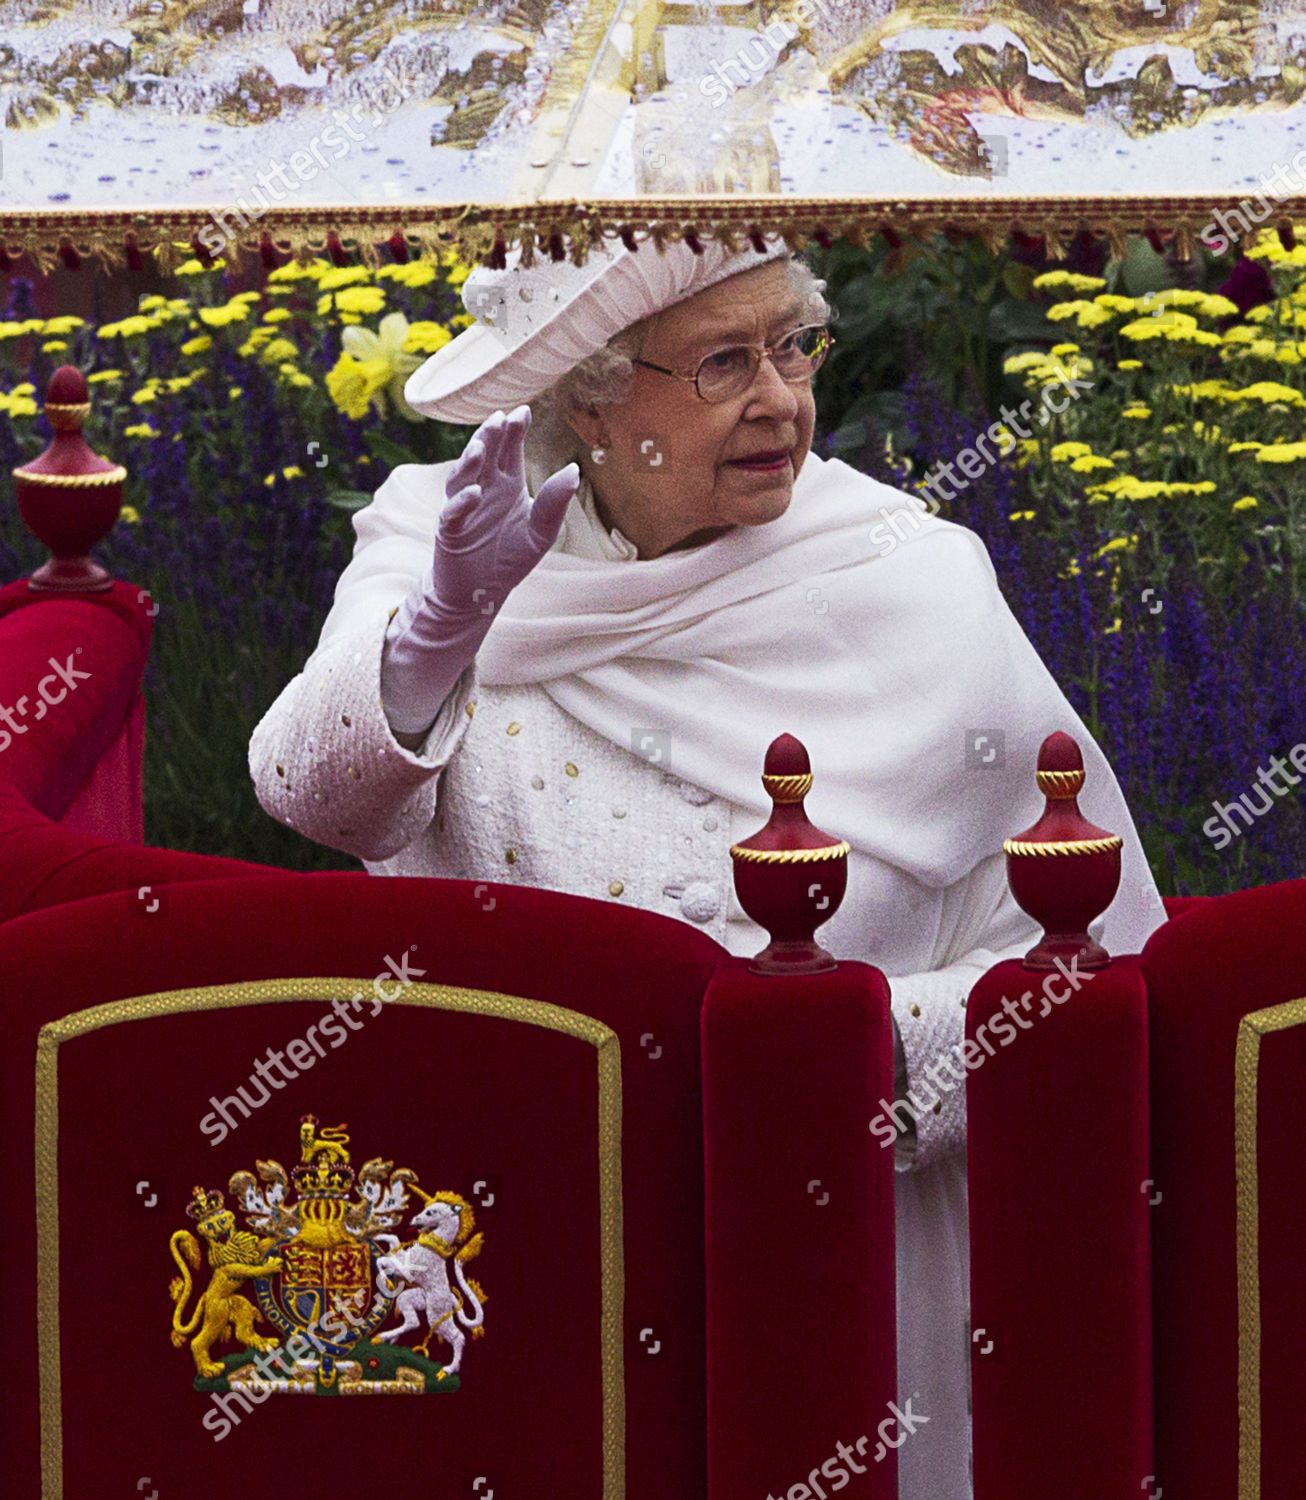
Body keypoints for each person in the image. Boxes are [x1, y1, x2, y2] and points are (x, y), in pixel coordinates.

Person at [249, 231, 1166, 1497]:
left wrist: (835, 1062)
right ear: (589, 390)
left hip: (857, 1228)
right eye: (724, 360)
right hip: (540, 1212)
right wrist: (440, 630)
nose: (781, 398)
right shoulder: (447, 539)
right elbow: (314, 798)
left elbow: (1082, 953)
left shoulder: (912, 578)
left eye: (793, 346)